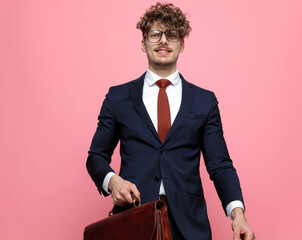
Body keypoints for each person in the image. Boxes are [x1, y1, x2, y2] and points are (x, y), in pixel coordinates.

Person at [86, 2, 255, 240]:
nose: (163, 41)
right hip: (135, 222)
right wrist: (113, 182)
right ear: (143, 42)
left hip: (189, 227)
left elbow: (220, 166)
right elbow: (95, 157)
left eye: (172, 35)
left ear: (181, 43)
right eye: (155, 34)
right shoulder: (118, 97)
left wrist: (238, 215)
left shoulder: (204, 101)